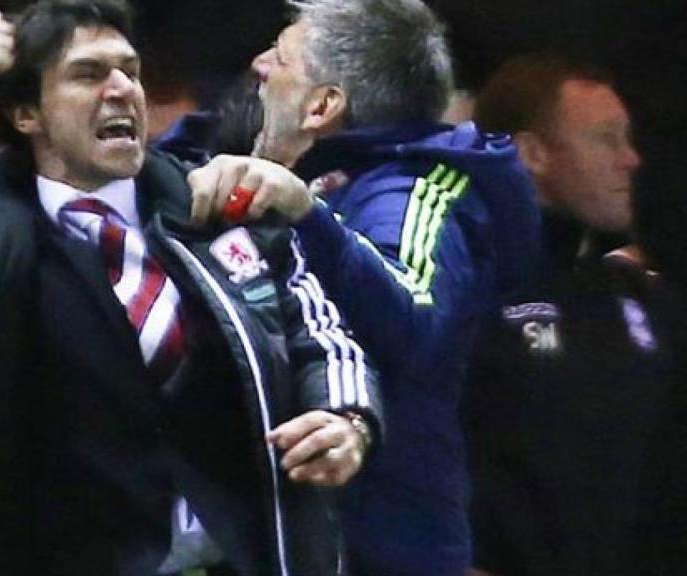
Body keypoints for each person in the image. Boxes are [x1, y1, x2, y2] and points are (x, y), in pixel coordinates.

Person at [0, 1, 381, 575]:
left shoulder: (207, 202)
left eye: (128, 70)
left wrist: (347, 418)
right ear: (27, 113)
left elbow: (320, 329)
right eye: (88, 74)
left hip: (238, 555)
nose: (121, 89)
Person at [186, 0, 540, 573]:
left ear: (322, 106)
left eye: (279, 57)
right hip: (287, 532)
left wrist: (307, 213)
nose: (258, 65)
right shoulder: (294, 170)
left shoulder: (421, 189)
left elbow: (411, 318)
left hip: (386, 546)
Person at [463, 53, 687, 576]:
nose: (630, 159)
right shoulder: (461, 292)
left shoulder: (637, 299)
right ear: (533, 152)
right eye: (606, 138)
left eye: (627, 138)